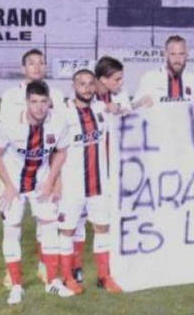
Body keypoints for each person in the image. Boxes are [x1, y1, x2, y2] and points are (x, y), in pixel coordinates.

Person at [0, 80, 75, 304]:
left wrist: (52, 181)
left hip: (41, 181)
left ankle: (52, 282)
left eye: (43, 102)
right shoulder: (9, 122)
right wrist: (7, 184)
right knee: (11, 230)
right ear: (26, 102)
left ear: (50, 102)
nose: (39, 107)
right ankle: (16, 285)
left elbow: (61, 152)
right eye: (34, 101)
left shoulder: (59, 122)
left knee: (49, 228)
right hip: (13, 184)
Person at [0, 48, 65, 287]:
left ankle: (44, 267)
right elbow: (3, 138)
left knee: (45, 222)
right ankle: (12, 273)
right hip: (14, 171)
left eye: (41, 63)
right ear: (23, 68)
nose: (37, 67)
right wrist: (7, 182)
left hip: (44, 171)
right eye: (31, 63)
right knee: (12, 225)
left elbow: (60, 141)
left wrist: (56, 180)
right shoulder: (10, 96)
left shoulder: (55, 94)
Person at [57, 69, 123, 294]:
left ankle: (104, 277)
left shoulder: (100, 109)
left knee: (102, 228)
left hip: (98, 184)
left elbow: (125, 113)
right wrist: (55, 181)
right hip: (72, 184)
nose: (86, 88)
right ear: (73, 86)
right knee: (67, 230)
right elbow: (54, 150)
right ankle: (67, 278)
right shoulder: (63, 113)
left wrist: (120, 108)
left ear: (95, 86)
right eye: (81, 84)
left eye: (90, 84)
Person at [133, 35, 194, 108]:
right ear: (165, 54)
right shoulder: (150, 77)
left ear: (186, 55)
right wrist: (140, 103)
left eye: (181, 54)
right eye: (173, 54)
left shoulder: (193, 79)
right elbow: (132, 107)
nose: (177, 59)